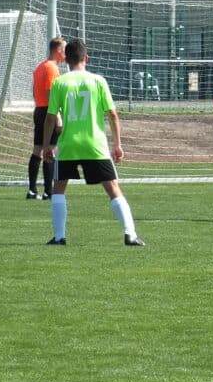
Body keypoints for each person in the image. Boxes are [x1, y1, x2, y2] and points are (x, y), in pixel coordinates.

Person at [42, 39, 144, 246]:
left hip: (69, 144)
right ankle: (130, 234)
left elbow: (51, 117)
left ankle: (60, 236)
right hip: (95, 144)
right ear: (86, 58)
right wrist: (117, 144)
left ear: (66, 59)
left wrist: (46, 145)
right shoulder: (98, 80)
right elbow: (113, 114)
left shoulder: (60, 83)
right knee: (112, 187)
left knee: (59, 188)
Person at [28, 36, 66, 200]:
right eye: (64, 49)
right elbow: (50, 93)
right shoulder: (51, 68)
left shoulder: (40, 67)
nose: (66, 52)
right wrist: (57, 115)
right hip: (48, 112)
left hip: (39, 110)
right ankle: (48, 191)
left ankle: (32, 190)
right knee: (50, 150)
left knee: (37, 149)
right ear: (58, 50)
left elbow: (35, 91)